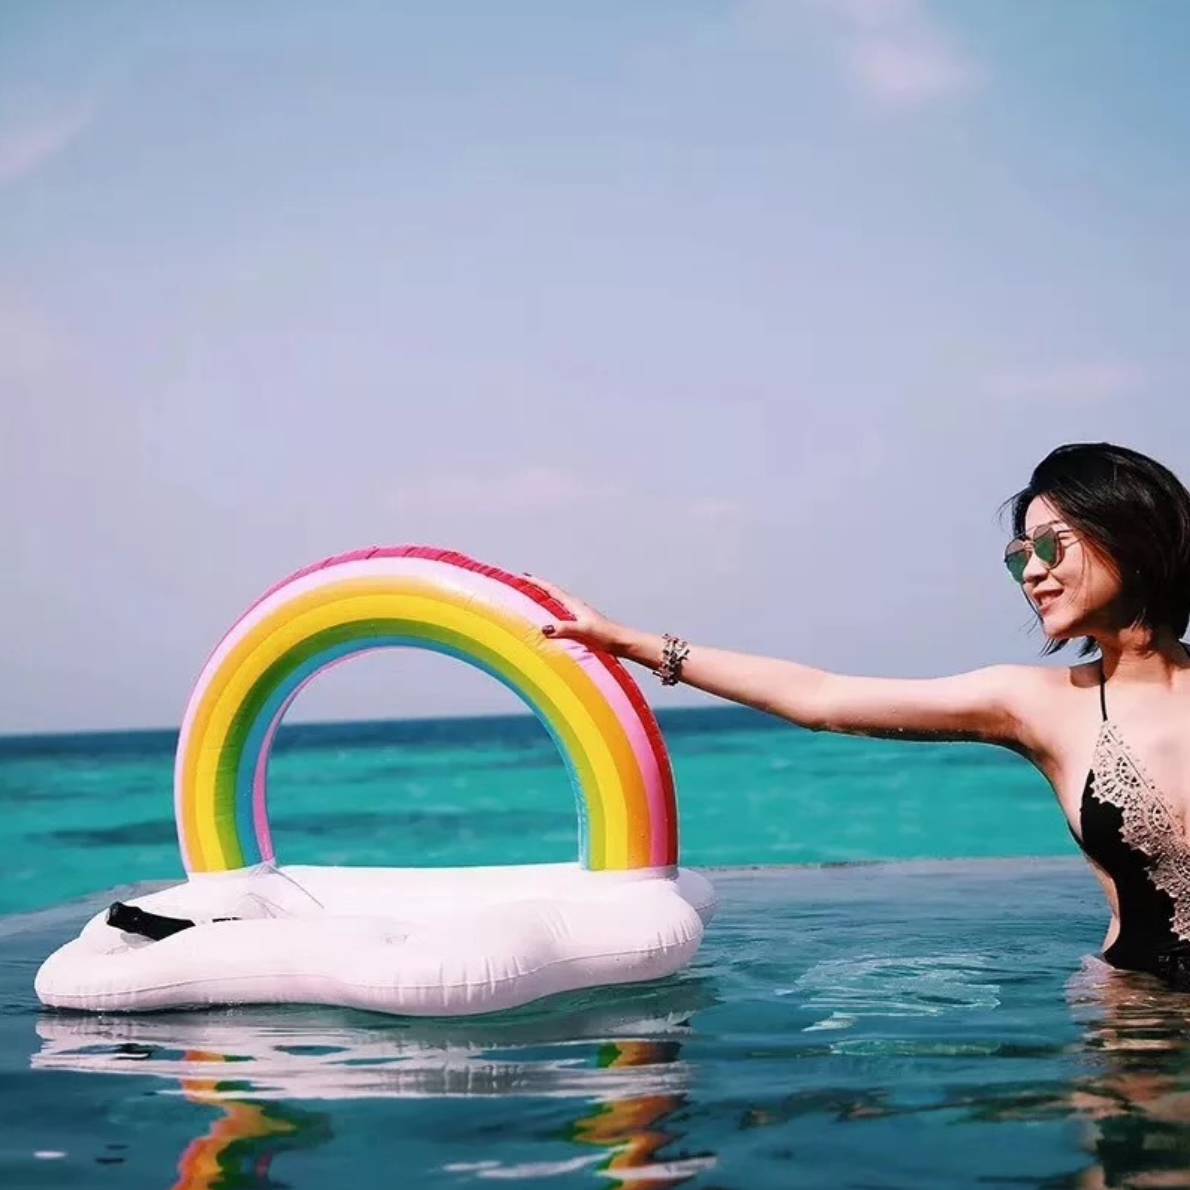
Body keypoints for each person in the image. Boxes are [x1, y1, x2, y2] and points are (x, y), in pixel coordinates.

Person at [530, 442, 1190, 989]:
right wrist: (631, 643)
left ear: (1129, 537)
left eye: (1051, 547)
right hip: (1140, 1016)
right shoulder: (1042, 706)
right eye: (1020, 557)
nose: (1032, 573)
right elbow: (821, 697)